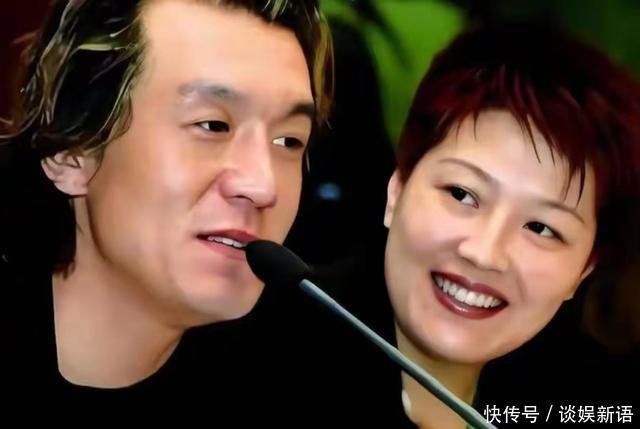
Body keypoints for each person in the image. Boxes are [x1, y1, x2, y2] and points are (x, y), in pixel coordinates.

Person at [3, 0, 332, 425]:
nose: (262, 185)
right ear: (72, 152)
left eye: (289, 141)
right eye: (213, 126)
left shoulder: (298, 379)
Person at [313, 22, 640, 429]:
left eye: (541, 228)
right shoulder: (260, 351)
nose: (485, 254)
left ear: (584, 269)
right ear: (396, 190)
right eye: (461, 194)